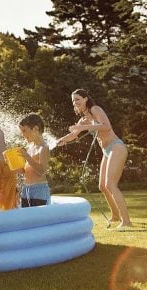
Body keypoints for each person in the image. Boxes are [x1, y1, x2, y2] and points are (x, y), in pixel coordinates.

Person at [56, 89, 131, 230]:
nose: (75, 102)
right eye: (73, 100)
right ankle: (115, 216)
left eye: (77, 99)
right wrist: (61, 140)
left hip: (116, 147)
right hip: (106, 151)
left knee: (110, 185)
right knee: (102, 186)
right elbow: (74, 134)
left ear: (85, 99)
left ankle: (126, 222)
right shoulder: (83, 120)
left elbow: (106, 127)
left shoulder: (95, 109)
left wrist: (85, 127)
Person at [17, 113, 51, 207]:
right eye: (21, 131)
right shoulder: (30, 147)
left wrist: (27, 156)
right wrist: (16, 167)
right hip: (26, 188)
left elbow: (41, 171)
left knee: (39, 220)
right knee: (25, 219)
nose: (23, 135)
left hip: (39, 190)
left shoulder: (44, 147)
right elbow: (26, 171)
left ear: (35, 129)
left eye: (24, 131)